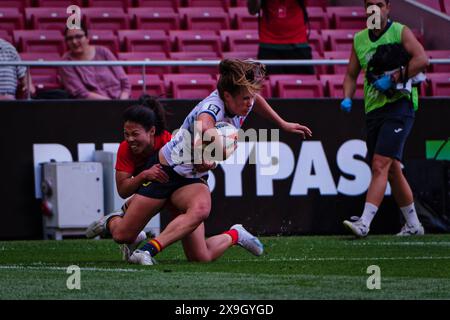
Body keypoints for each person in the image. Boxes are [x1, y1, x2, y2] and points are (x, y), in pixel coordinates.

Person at [87, 59, 312, 265]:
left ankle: (152, 250)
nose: (250, 102)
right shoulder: (211, 108)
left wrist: (282, 124)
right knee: (122, 235)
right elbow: (204, 128)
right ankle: (113, 219)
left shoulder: (244, 99)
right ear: (226, 96)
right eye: (245, 98)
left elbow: (257, 101)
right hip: (165, 171)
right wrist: (218, 150)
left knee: (201, 251)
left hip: (190, 179)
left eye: (250, 96)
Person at [340, 0, 429, 237]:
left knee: (380, 164)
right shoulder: (359, 39)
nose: (374, 9)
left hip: (400, 104)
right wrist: (347, 97)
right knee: (392, 170)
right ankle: (413, 225)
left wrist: (394, 78)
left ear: (388, 8)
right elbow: (351, 74)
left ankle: (365, 222)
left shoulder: (400, 31)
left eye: (379, 4)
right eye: (369, 4)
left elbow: (422, 59)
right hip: (373, 110)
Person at [59, 23, 130, 100]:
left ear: (87, 38)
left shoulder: (103, 52)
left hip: (121, 101)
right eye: (70, 38)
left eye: (78, 37)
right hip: (94, 106)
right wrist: (112, 104)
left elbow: (125, 82)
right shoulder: (66, 62)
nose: (74, 42)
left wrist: (122, 101)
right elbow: (80, 93)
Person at [247, 0, 314, 75]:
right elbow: (252, 11)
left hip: (298, 45)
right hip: (269, 45)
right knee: (267, 84)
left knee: (304, 84)